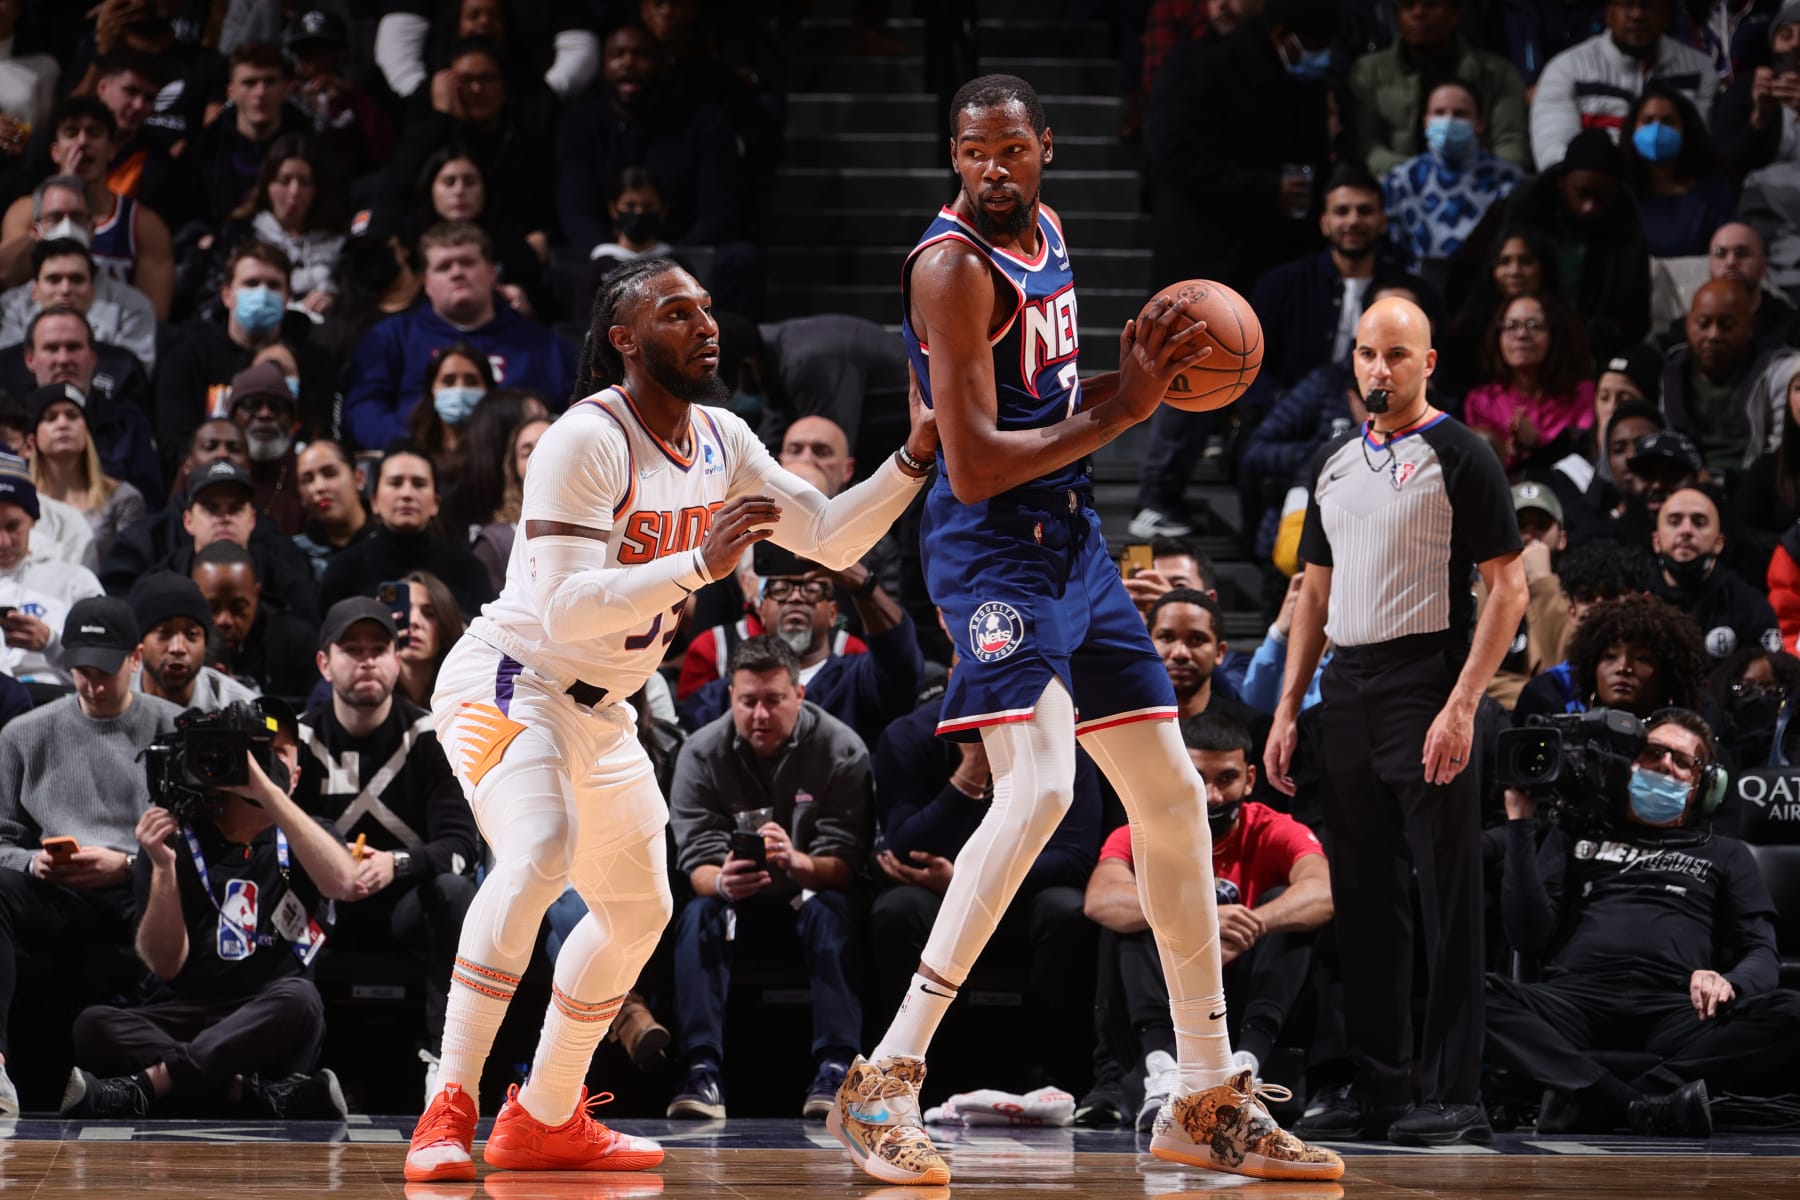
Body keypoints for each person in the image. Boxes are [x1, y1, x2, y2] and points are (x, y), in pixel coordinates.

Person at [828, 75, 1341, 1186]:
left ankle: (1203, 1093)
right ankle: (885, 1080)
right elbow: (973, 462)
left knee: (1172, 799)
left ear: (1047, 148)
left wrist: (1141, 379)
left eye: (1011, 149)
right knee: (1042, 789)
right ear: (954, 154)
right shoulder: (952, 267)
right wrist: (1132, 408)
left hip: (1073, 538)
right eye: (974, 151)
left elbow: (1053, 405)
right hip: (989, 551)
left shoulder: (1050, 231)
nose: (993, 168)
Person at [403, 252, 935, 1181]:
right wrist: (696, 566)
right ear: (624, 338)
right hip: (513, 678)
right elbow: (563, 608)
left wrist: (913, 458)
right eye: (678, 313)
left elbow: (828, 535)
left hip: (603, 709)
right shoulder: (584, 438)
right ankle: (447, 1104)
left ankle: (545, 1115)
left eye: (708, 310)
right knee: (540, 851)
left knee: (641, 909)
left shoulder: (724, 438)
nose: (706, 326)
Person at [1267, 295, 1527, 1145]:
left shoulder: (1462, 453)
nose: (1381, 368)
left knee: (1448, 894)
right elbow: (1313, 592)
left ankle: (1456, 1094)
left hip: (1429, 679)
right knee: (1364, 896)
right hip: (1346, 683)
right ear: (1354, 360)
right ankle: (1377, 1084)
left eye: (1398, 355)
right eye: (1369, 354)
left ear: (1428, 364)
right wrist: (1287, 707)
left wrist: (1463, 703)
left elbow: (1509, 589)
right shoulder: (1334, 461)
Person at [1489, 709, 1800, 1135]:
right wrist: (1521, 824)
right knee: (1470, 995)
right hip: (1574, 999)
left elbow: (1762, 953)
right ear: (1629, 765)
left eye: (1681, 760)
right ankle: (1644, 1105)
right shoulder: (1577, 836)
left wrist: (1731, 982)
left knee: (1791, 1010)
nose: (1665, 765)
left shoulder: (1727, 853)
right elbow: (1526, 935)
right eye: (1652, 753)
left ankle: (1597, 1098)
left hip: (1675, 1007)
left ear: (1704, 785)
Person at [60, 693, 356, 1119]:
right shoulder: (176, 837)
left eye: (276, 753)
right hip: (184, 1011)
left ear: (296, 774)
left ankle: (151, 1086)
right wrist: (163, 867)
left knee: (302, 999)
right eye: (251, 752)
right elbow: (166, 965)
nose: (261, 764)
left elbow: (342, 882)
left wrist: (267, 792)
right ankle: (253, 1095)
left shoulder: (312, 835)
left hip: (266, 1016)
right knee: (93, 1024)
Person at [870, 619, 1101, 1104]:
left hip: (1022, 901)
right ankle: (914, 1077)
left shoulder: (1064, 737)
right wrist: (970, 771)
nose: (994, 690)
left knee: (1066, 909)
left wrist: (971, 877)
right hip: (937, 899)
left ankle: (1055, 1079)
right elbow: (901, 846)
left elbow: (1076, 857)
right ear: (955, 678)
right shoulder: (909, 736)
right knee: (898, 909)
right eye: (980, 674)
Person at [1087, 714, 1331, 1128]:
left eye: (1227, 778)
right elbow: (1099, 899)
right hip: (1171, 995)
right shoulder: (1145, 828)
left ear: (1250, 779)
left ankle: (1243, 1072)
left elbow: (1323, 890)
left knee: (1285, 906)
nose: (1214, 796)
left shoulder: (1271, 827)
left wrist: (1255, 922)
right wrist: (1202, 922)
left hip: (1247, 990)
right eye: (1199, 778)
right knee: (1136, 913)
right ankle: (1163, 1072)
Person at [665, 635, 873, 1120]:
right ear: (730, 697)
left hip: (809, 897)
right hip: (735, 904)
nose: (760, 714)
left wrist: (800, 862)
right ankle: (700, 1069)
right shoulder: (701, 752)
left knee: (834, 910)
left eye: (774, 700)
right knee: (699, 913)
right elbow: (696, 864)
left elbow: (845, 863)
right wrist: (722, 880)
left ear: (799, 694)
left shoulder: (841, 748)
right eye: (748, 701)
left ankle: (836, 1067)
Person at [0, 596, 180, 1113]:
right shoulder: (23, 734)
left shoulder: (175, 727)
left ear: (135, 659)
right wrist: (31, 863)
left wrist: (129, 865)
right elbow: (3, 840)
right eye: (82, 671)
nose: (93, 685)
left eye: (105, 671)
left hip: (145, 888)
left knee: (170, 875)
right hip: (58, 891)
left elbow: (198, 840)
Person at [297, 597, 478, 1092]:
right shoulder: (301, 739)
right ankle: (288, 1066)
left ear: (397, 661)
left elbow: (461, 844)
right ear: (324, 663)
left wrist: (396, 864)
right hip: (325, 904)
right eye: (352, 650)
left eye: (379, 649)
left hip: (405, 905)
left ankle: (446, 1065)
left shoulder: (430, 736)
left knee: (456, 891)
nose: (367, 661)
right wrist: (332, 864)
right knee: (281, 876)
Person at [1144, 0, 1336, 293]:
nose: (1320, 57)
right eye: (1314, 46)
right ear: (1281, 35)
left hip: (1272, 258)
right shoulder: (1196, 66)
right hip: (1205, 256)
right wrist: (1269, 188)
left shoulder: (1299, 80)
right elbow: (1175, 154)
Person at [344, 223, 576, 451]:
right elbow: (364, 407)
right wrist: (411, 448)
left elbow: (577, 411)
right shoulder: (392, 337)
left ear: (491, 273)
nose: (457, 273)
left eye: (467, 262)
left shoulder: (542, 343)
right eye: (444, 267)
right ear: (426, 282)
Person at [677, 546, 922, 750]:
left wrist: (863, 585)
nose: (796, 598)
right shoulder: (722, 699)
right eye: (781, 589)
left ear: (833, 613)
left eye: (812, 590)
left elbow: (900, 662)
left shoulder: (857, 680)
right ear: (763, 612)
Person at [153, 241, 335, 483]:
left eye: (273, 285)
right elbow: (175, 441)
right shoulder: (187, 356)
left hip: (289, 486)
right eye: (251, 283)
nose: (262, 294)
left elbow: (321, 435)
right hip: (208, 485)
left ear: (287, 298)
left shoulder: (314, 362)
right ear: (227, 295)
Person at [0, 97, 175, 319]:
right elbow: (5, 275)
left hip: (111, 336)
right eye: (71, 132)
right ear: (55, 151)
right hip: (38, 333)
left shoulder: (142, 224)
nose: (82, 142)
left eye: (94, 133)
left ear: (111, 150)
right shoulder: (25, 211)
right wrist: (61, 199)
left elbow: (153, 318)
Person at [1529, 0, 1718, 170]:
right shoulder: (1566, 69)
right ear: (1609, 14)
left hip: (1674, 187)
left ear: (1667, 17)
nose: (1637, 15)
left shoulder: (1699, 69)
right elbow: (1553, 157)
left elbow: (1699, 149)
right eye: (1627, 5)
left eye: (1649, 5)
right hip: (1596, 190)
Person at [1349, 0, 1530, 176]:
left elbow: (1511, 142)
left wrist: (1480, 179)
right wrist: (1417, 177)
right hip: (1393, 185)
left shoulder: (1496, 73)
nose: (1418, 13)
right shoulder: (1368, 72)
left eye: (1431, 4)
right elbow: (1368, 146)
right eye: (1408, 5)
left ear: (1454, 14)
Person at [317, 444, 495, 620]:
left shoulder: (468, 571)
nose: (407, 494)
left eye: (419, 484)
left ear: (436, 503)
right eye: (395, 483)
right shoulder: (342, 571)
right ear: (374, 501)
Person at [18, 309, 158, 503]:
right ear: (30, 360)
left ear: (93, 357)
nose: (63, 359)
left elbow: (150, 505)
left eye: (73, 347)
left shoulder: (128, 425)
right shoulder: (10, 423)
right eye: (51, 348)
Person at [1512, 541, 1661, 720]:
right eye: (1587, 597)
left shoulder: (1664, 680)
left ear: (1644, 602)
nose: (1598, 608)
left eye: (1611, 595)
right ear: (1572, 612)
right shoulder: (1546, 691)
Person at [1382, 80, 1526, 261]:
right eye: (1439, 113)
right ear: (1426, 122)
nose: (1448, 121)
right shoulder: (1400, 180)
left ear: (1480, 123)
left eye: (1460, 114)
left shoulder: (1509, 180)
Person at [0, 455, 104, 689]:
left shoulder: (75, 581)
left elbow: (106, 668)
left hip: (58, 698)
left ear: (33, 520)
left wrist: (51, 644)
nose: (3, 542)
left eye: (13, 526)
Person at [184, 43, 315, 227]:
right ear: (231, 92)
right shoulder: (205, 148)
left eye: (270, 82)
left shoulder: (311, 146)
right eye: (249, 83)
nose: (260, 92)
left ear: (285, 88)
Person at [214, 133, 346, 315]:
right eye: (284, 181)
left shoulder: (339, 241)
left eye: (304, 182)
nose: (294, 192)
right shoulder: (239, 233)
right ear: (267, 184)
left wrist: (335, 301)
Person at [1463, 293, 1595, 473]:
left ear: (1555, 334)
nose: (1521, 335)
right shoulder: (1481, 401)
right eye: (1511, 326)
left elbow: (1586, 461)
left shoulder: (1582, 395)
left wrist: (1538, 442)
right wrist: (1510, 455)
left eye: (1533, 325)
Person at [1650, 485, 1780, 662]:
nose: (1686, 530)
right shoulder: (1638, 597)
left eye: (1699, 522)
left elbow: (1773, 672)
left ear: (1719, 543)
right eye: (1674, 522)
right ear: (1656, 541)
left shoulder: (1749, 606)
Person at [25, 380, 145, 563]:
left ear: (87, 433)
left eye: (72, 416)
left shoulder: (122, 498)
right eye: (50, 418)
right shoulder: (19, 502)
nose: (62, 424)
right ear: (31, 442)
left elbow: (129, 569)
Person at [0, 235, 156, 373]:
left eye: (77, 279)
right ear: (34, 290)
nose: (65, 289)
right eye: (54, 279)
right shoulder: (8, 361)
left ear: (92, 291)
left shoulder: (121, 361)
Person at [1618, 84, 1738, 258]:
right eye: (1648, 121)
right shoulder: (1619, 190)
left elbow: (1725, 250)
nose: (1657, 130)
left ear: (1685, 129)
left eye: (1668, 121)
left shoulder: (1714, 189)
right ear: (1632, 128)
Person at [192, 540, 317, 699]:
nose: (225, 620)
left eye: (238, 608)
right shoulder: (178, 648)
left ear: (256, 594)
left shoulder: (296, 641)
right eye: (212, 608)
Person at [129, 571, 258, 710]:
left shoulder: (243, 706)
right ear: (139, 645)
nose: (178, 648)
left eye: (192, 634)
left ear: (205, 644)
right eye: (164, 632)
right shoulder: (115, 696)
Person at [291, 440, 370, 579]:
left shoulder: (390, 543)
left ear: (358, 478)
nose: (319, 487)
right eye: (307, 480)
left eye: (330, 473)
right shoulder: (291, 555)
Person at [396, 571, 465, 711]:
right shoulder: (371, 693)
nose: (414, 621)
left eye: (429, 614)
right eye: (405, 611)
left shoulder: (464, 691)